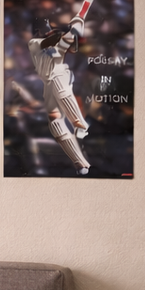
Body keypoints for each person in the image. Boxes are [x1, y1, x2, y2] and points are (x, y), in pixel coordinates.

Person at [28, 17, 91, 174]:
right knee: (55, 121)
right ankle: (80, 164)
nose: (48, 29)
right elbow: (49, 41)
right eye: (45, 28)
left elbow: (73, 47)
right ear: (37, 31)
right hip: (48, 83)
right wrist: (68, 31)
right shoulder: (34, 43)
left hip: (60, 75)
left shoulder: (58, 42)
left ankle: (80, 124)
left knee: (60, 88)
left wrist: (75, 31)